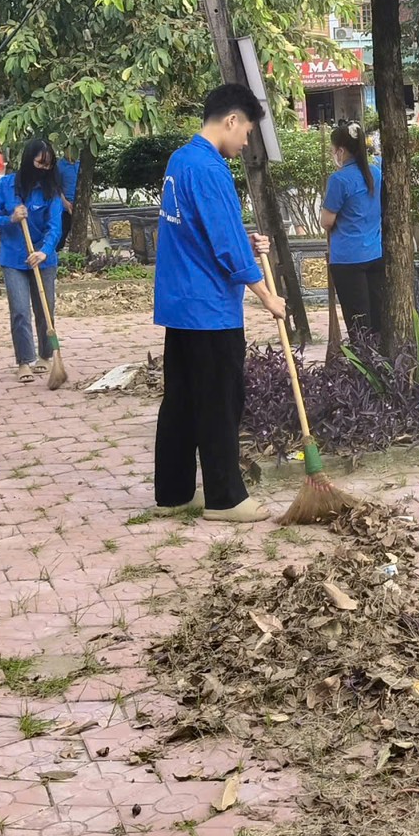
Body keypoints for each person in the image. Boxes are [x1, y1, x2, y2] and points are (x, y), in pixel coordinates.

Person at [153, 83, 289, 522]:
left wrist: (245, 243)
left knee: (182, 401)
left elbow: (203, 231)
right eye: (247, 131)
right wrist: (267, 295)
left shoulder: (180, 160)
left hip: (181, 304)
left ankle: (174, 492)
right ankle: (226, 498)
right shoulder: (210, 169)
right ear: (231, 120)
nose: (246, 141)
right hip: (210, 308)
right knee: (219, 402)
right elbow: (226, 246)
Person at [0, 139, 66, 382]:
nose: (43, 169)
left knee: (45, 310)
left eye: (48, 165)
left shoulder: (51, 190)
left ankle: (45, 355)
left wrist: (44, 251)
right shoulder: (6, 186)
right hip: (13, 258)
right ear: (27, 161)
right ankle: (24, 361)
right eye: (39, 163)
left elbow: (55, 226)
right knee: (20, 310)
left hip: (43, 259)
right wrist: (11, 217)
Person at [320, 120, 385, 346]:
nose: (332, 153)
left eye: (333, 149)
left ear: (341, 150)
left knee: (358, 321)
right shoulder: (375, 172)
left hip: (348, 259)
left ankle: (363, 368)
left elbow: (326, 221)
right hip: (375, 253)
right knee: (376, 318)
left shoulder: (339, 179)